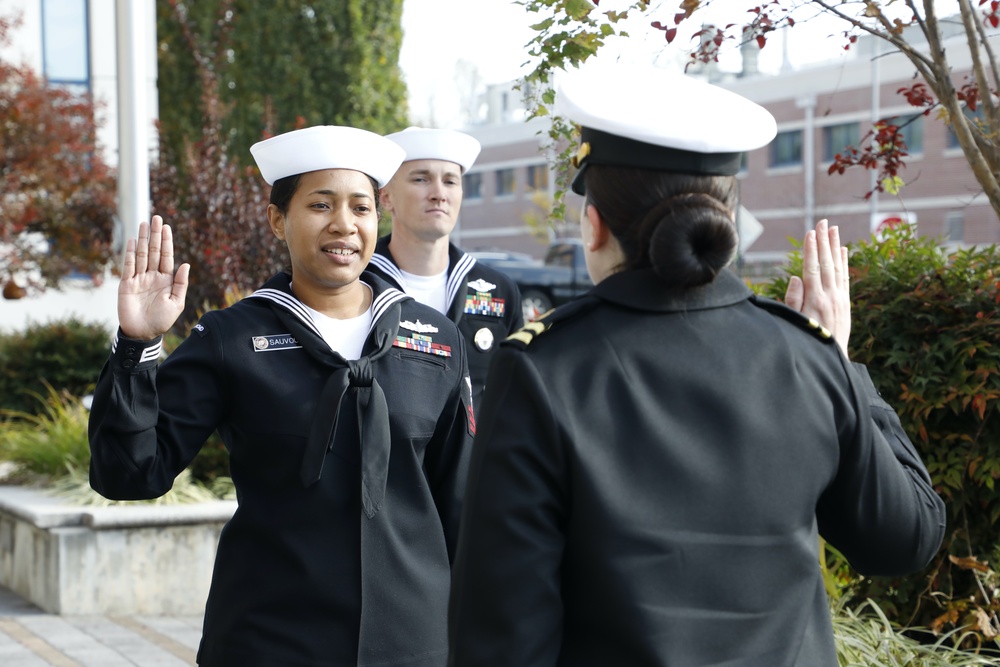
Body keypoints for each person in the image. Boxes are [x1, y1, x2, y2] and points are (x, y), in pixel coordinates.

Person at [446, 62, 946, 667]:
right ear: (726, 220)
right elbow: (905, 540)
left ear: (595, 223)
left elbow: (501, 634)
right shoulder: (805, 357)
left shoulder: (543, 369)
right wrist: (842, 364)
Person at [87, 125, 476, 667]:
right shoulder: (231, 338)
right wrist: (137, 346)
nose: (344, 224)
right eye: (320, 204)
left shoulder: (435, 339)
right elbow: (129, 475)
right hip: (270, 640)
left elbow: (461, 502)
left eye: (361, 208)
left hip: (412, 643)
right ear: (277, 219)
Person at [368, 126, 523, 408]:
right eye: (421, 179)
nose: (439, 194)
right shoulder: (359, 283)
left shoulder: (499, 290)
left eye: (450, 181)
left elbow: (515, 396)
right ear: (386, 196)